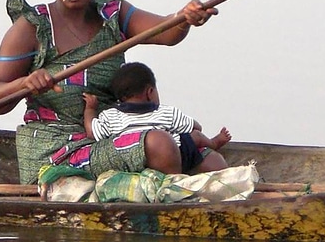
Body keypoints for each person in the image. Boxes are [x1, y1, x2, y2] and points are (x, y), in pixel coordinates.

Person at [0, 0, 217, 185]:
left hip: (112, 133)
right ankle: (170, 200)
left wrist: (185, 18)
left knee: (208, 158)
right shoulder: (31, 27)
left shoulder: (113, 14)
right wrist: (25, 84)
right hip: (58, 151)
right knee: (159, 143)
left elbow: (166, 32)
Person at [82, 62, 230, 174]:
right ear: (150, 92)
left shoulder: (111, 116)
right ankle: (213, 142)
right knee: (195, 136)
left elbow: (92, 132)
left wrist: (90, 109)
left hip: (135, 160)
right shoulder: (165, 112)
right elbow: (195, 127)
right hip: (175, 155)